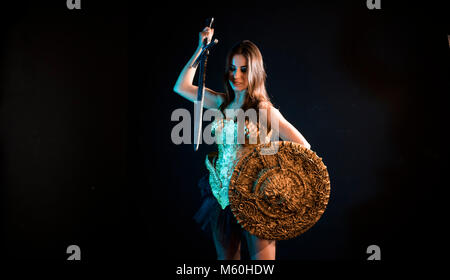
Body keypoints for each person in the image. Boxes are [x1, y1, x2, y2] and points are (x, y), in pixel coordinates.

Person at [173, 26, 311, 260]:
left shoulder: (263, 109)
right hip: (223, 198)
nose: (236, 75)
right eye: (232, 68)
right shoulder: (221, 103)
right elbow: (182, 87)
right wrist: (201, 49)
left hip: (256, 198)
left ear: (255, 71)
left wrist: (264, 153)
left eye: (244, 69)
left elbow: (303, 147)